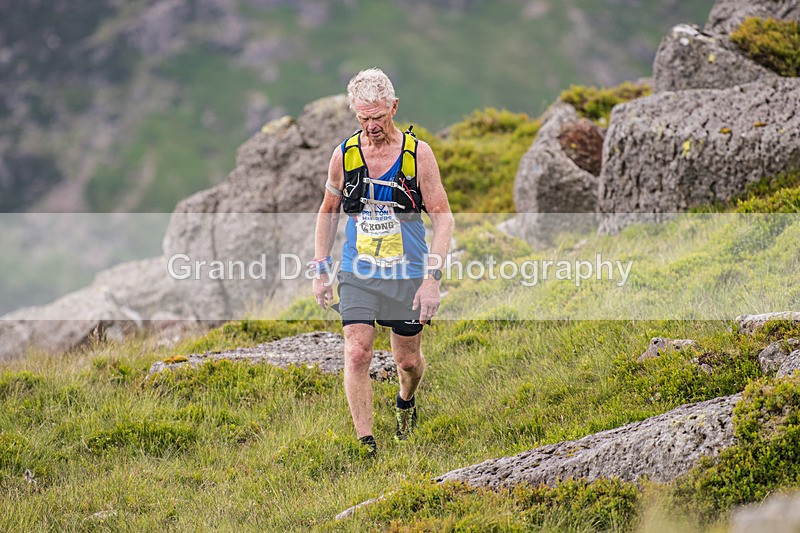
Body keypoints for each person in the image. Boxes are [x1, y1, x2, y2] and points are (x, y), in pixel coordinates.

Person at [312, 68, 454, 457]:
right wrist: (320, 268)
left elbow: (443, 217)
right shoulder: (344, 155)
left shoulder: (417, 155)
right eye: (362, 118)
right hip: (359, 272)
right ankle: (366, 444)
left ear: (394, 107)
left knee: (406, 362)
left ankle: (406, 401)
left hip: (407, 275)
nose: (371, 126)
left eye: (377, 117)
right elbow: (328, 210)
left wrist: (432, 280)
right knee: (357, 350)